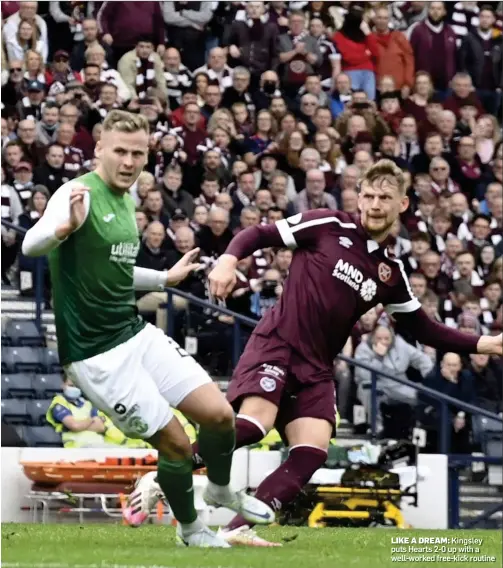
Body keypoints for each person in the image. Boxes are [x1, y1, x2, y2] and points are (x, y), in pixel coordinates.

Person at [131, 159, 502, 546]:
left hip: (318, 367)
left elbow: (422, 327)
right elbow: (259, 234)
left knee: (311, 451)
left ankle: (235, 531)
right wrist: (227, 260)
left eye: (385, 198)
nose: (375, 204)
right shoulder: (329, 224)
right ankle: (164, 474)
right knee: (255, 425)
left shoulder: (389, 271)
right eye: (369, 195)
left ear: (402, 204)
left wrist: (486, 343)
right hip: (278, 342)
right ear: (358, 197)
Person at [21, 110, 274, 547]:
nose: (128, 161)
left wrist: (164, 279)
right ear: (99, 148)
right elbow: (30, 243)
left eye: (138, 154)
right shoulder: (76, 193)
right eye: (119, 151)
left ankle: (219, 488)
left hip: (133, 331)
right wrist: (61, 229)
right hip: (96, 356)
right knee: (175, 443)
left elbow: (113, 269)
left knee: (219, 417)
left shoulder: (126, 198)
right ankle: (192, 530)